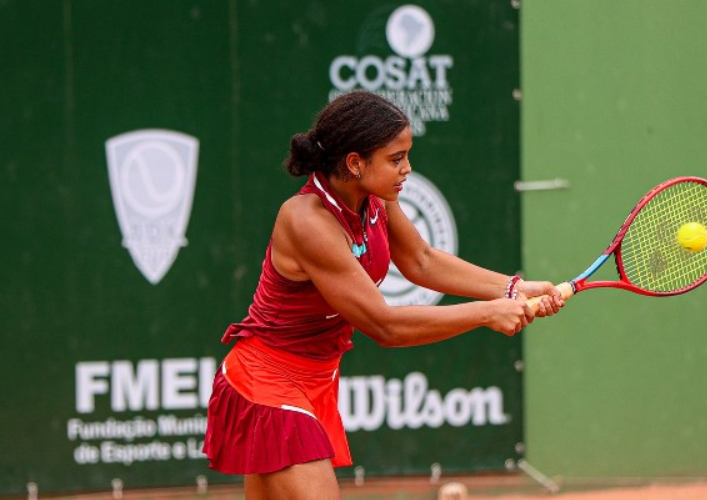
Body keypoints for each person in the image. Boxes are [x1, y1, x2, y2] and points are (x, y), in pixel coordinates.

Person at [203, 90, 564, 500]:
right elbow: (386, 325)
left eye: (406, 156)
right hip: (267, 383)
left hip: (317, 378)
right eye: (396, 159)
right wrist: (487, 314)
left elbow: (422, 261)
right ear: (355, 163)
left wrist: (513, 287)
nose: (407, 169)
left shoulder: (373, 199)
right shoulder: (306, 222)